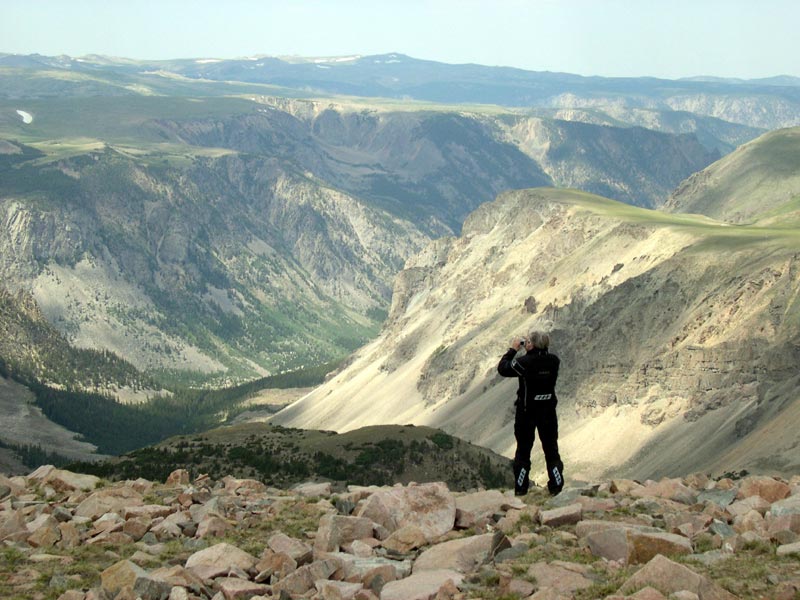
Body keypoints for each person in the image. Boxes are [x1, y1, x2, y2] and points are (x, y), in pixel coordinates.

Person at [497, 330, 564, 496]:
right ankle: (556, 486)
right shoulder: (554, 361)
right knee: (551, 450)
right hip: (548, 411)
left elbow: (503, 368)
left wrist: (513, 349)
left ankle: (521, 489)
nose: (525, 343)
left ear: (531, 345)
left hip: (527, 413)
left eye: (527, 341)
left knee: (523, 451)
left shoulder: (524, 362)